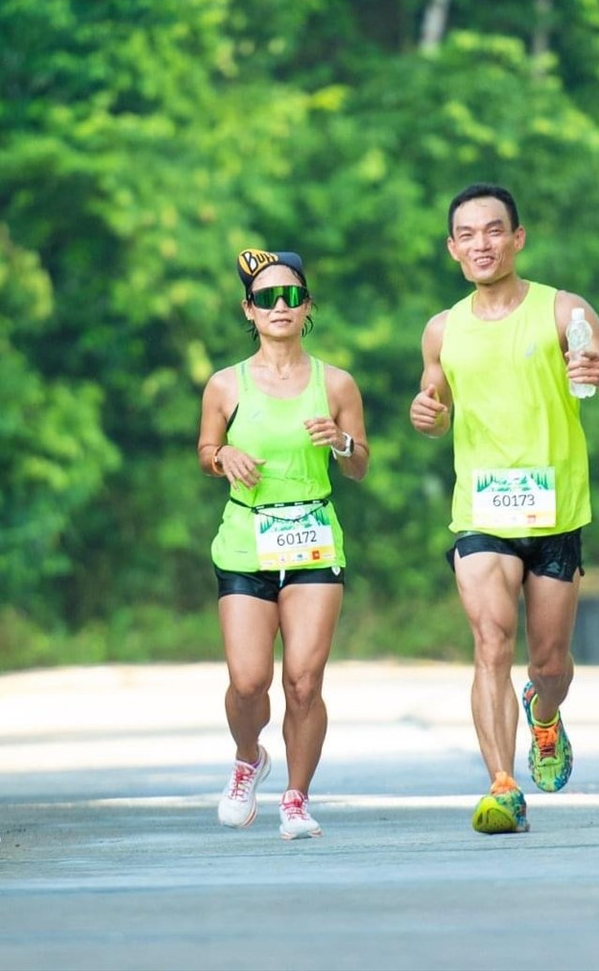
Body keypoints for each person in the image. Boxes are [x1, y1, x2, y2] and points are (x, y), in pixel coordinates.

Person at [408, 184, 599, 834]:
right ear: (453, 247)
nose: (481, 243)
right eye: (467, 233)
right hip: (480, 510)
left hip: (556, 512)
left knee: (551, 663)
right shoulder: (441, 328)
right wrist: (426, 414)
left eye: (493, 230)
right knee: (490, 641)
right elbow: (433, 405)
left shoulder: (564, 310)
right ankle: (502, 784)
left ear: (517, 237)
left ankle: (545, 712)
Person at [197, 248, 369, 840]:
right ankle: (249, 757)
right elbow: (204, 451)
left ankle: (296, 797)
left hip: (314, 540)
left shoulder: (337, 383)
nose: (279, 306)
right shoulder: (225, 384)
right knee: (249, 681)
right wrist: (223, 456)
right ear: (249, 309)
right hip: (247, 540)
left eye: (290, 297)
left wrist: (342, 443)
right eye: (266, 298)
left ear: (307, 307)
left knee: (303, 679)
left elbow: (359, 465)